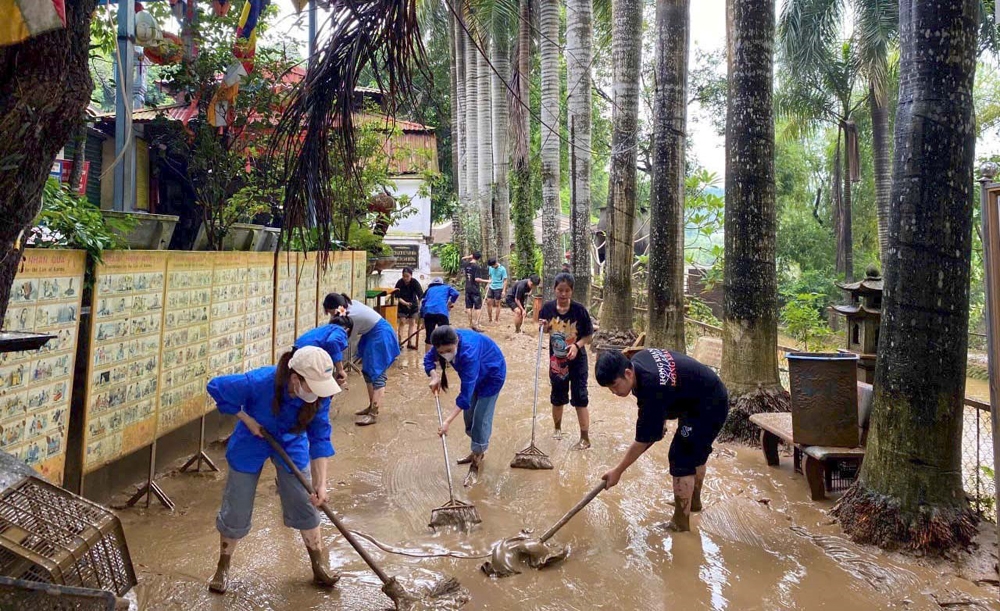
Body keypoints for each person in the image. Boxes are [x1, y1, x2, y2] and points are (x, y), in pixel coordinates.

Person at [206, 346, 341, 594]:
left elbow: (320, 438)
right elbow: (216, 386)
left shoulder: (319, 397)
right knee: (237, 502)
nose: (318, 392)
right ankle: (223, 566)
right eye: (312, 385)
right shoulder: (260, 381)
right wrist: (248, 420)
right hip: (252, 439)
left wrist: (321, 484)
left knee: (305, 500)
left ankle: (318, 565)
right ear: (294, 379)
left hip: (291, 440)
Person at [595, 349, 729, 532]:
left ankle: (680, 523)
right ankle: (693, 502)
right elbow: (669, 382)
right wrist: (660, 420)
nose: (613, 392)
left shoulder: (651, 386)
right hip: (697, 395)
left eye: (614, 385)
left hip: (709, 405)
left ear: (627, 373)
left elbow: (644, 440)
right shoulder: (638, 361)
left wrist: (617, 471)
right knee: (693, 452)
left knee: (681, 457)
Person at [425, 326, 506, 487]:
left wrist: (447, 421)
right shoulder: (442, 342)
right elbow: (428, 360)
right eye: (441, 352)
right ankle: (477, 449)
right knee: (469, 419)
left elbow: (465, 395)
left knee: (480, 419)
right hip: (473, 376)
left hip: (492, 376)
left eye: (448, 350)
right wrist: (434, 376)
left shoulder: (468, 352)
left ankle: (476, 462)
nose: (445, 355)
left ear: (456, 342)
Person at [322, 293, 400, 426]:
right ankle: (371, 406)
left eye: (330, 312)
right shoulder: (347, 307)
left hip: (380, 334)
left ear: (336, 309)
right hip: (370, 334)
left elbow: (344, 341)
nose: (331, 316)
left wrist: (336, 364)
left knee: (377, 374)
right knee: (367, 372)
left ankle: (373, 414)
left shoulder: (350, 317)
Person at [539, 273, 594, 450]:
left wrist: (577, 346)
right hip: (557, 360)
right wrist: (544, 327)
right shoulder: (547, 308)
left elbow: (589, 336)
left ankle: (585, 438)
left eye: (567, 291)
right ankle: (557, 429)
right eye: (560, 290)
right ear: (554, 289)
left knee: (580, 397)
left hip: (577, 359)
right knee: (557, 397)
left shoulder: (579, 310)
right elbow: (545, 330)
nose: (563, 294)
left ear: (572, 291)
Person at [294, 316, 353, 386]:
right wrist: (340, 369)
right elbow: (333, 341)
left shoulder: (325, 329)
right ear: (348, 330)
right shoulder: (340, 330)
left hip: (297, 352)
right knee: (318, 384)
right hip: (309, 356)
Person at [420, 277, 460, 352]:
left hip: (428, 313)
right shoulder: (446, 287)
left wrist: (423, 321)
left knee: (429, 337)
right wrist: (450, 303)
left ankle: (428, 360)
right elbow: (456, 293)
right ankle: (446, 358)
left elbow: (423, 304)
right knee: (446, 337)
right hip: (441, 312)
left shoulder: (429, 290)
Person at [394, 268, 424, 350]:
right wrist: (405, 303)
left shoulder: (415, 282)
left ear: (411, 276)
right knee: (402, 322)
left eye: (407, 276)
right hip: (402, 305)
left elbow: (420, 295)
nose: (405, 278)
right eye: (404, 276)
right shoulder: (399, 283)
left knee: (412, 323)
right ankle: (399, 343)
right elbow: (397, 297)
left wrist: (419, 305)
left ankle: (410, 342)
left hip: (413, 305)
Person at [460, 251, 489, 331]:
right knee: (477, 307)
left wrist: (469, 257)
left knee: (468, 306)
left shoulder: (466, 264)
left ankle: (470, 324)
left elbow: (462, 258)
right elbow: (477, 279)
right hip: (475, 289)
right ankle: (476, 324)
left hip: (467, 287)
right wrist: (487, 281)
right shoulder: (476, 266)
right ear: (479, 258)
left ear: (472, 256)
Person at [485, 257, 508, 324]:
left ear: (495, 263)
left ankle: (496, 319)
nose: (492, 267)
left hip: (499, 287)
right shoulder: (490, 268)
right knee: (489, 302)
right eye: (491, 266)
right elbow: (490, 277)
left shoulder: (502, 269)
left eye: (492, 265)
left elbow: (505, 280)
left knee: (497, 303)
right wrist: (487, 284)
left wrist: (503, 290)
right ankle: (490, 319)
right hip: (491, 286)